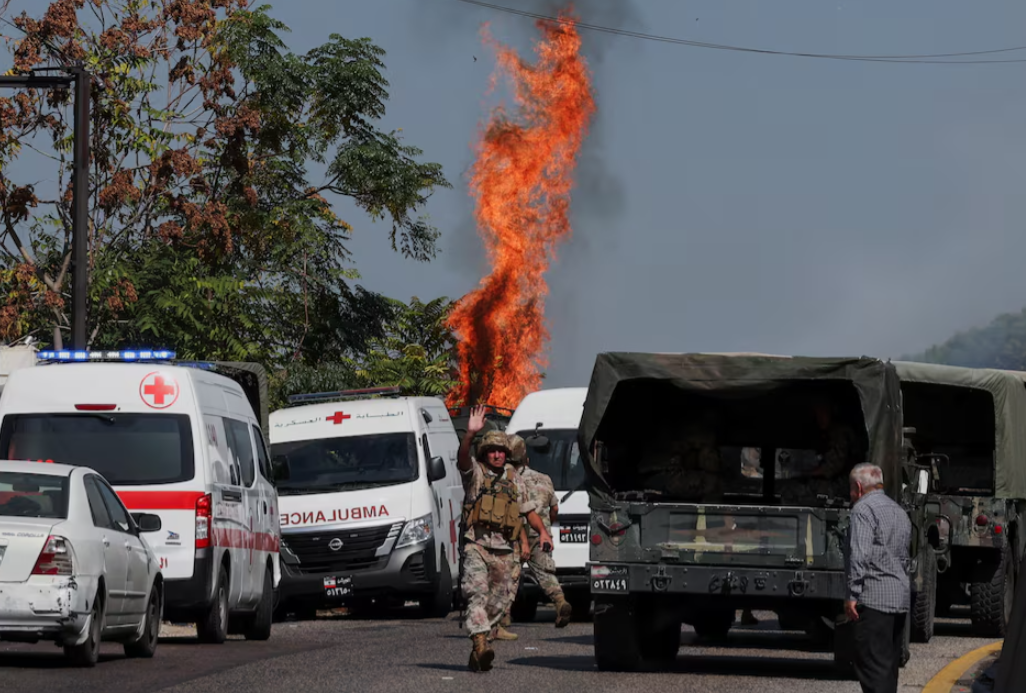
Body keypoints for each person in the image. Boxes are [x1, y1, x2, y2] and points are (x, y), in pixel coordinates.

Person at [458, 406, 554, 673]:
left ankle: (479, 649)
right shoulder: (476, 474)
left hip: (505, 551)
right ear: (484, 453)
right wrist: (470, 434)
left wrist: (543, 532)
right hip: (478, 546)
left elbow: (528, 511)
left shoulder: (515, 480)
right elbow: (462, 460)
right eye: (492, 451)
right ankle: (480, 644)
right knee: (477, 594)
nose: (497, 455)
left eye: (501, 451)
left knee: (498, 605)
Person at [496, 433, 573, 636]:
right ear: (526, 459)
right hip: (540, 531)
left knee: (510, 575)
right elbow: (554, 508)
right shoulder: (544, 478)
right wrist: (545, 529)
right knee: (545, 571)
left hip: (514, 532)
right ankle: (560, 601)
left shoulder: (505, 478)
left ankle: (503, 617)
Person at [844, 462, 911, 693]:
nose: (851, 494)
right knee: (888, 669)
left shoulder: (862, 510)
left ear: (858, 487)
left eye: (851, 489)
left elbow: (859, 555)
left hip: (874, 600)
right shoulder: (899, 511)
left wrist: (852, 594)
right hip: (899, 599)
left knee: (872, 670)